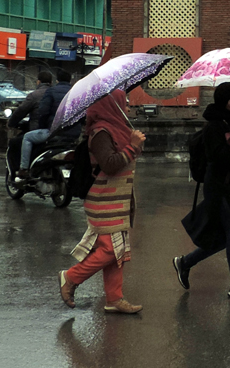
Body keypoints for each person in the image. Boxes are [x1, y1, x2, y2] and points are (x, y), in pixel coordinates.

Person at [58, 89, 145, 314]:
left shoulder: (117, 129)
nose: (126, 107)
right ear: (110, 105)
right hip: (103, 199)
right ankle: (71, 277)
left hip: (118, 199)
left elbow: (125, 156)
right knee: (109, 249)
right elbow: (109, 164)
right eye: (122, 103)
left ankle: (114, 298)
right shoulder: (101, 133)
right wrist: (132, 146)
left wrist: (134, 143)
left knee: (118, 250)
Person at [173, 82, 230, 299]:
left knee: (224, 238)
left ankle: (185, 262)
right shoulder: (215, 126)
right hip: (219, 188)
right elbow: (217, 157)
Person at [17, 69, 72, 179]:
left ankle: (24, 169)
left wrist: (42, 126)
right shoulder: (75, 92)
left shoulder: (50, 92)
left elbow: (43, 112)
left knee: (27, 137)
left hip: (54, 132)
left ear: (57, 81)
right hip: (73, 133)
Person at [6, 71, 52, 178]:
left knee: (16, 142)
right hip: (57, 130)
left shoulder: (34, 95)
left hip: (39, 129)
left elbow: (21, 111)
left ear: (38, 82)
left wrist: (11, 123)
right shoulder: (55, 94)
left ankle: (23, 169)